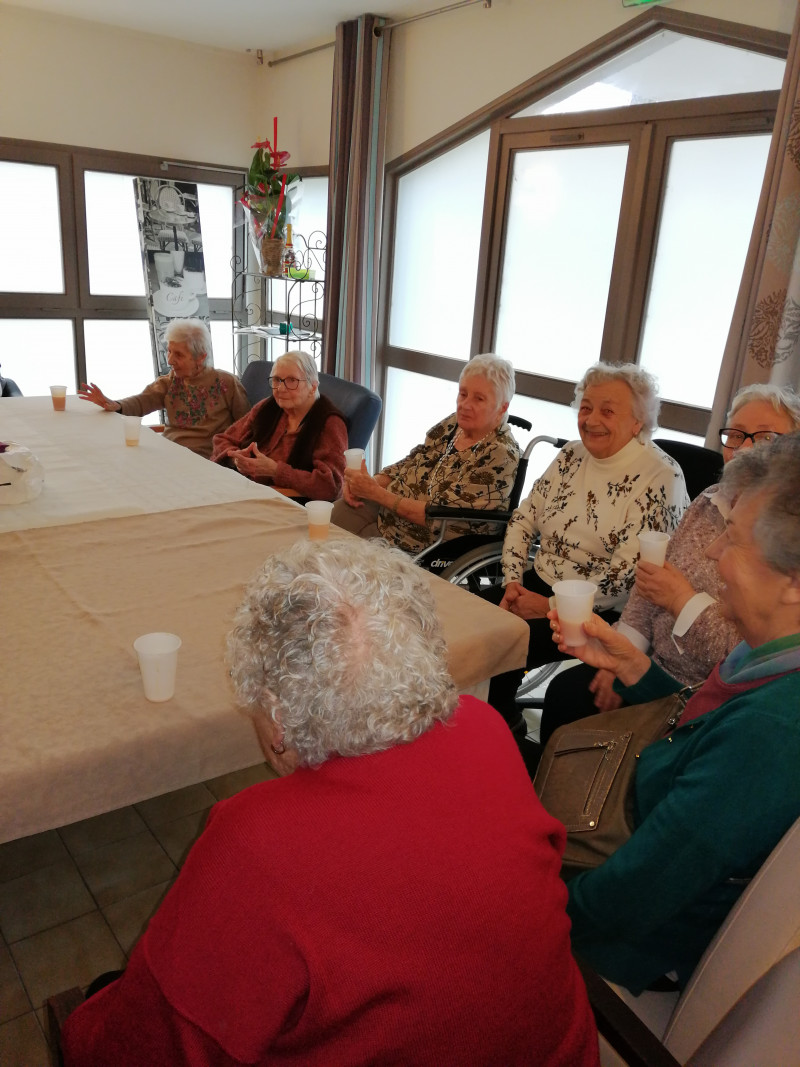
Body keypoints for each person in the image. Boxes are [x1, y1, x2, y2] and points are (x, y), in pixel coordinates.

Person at [61, 538, 600, 1066]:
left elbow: (147, 1045)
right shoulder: (483, 728)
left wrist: (80, 1028)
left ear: (276, 711)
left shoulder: (256, 840)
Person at [547, 432, 800, 995]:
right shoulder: (767, 657)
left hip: (635, 946)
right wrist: (636, 668)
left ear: (794, 584)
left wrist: (526, 917)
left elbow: (637, 892)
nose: (713, 554)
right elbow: (701, 731)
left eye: (733, 540)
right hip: (629, 847)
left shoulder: (773, 734)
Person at [539, 383, 800, 747]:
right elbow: (650, 585)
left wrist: (683, 601)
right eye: (735, 434)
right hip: (651, 663)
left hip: (702, 692)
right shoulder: (707, 502)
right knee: (566, 696)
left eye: (766, 437)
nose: (744, 448)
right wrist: (622, 650)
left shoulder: (784, 547)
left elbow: (742, 652)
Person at [487, 362, 688, 745]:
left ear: (637, 422)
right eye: (586, 407)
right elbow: (523, 518)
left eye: (608, 411)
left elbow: (627, 578)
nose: (592, 419)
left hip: (599, 612)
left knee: (497, 643)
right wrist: (513, 582)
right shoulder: (571, 456)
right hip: (536, 583)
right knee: (469, 621)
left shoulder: (660, 476)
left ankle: (500, 739)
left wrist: (546, 605)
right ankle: (490, 728)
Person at [331, 353, 520, 553]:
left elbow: (437, 516)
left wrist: (375, 493)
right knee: (332, 518)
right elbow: (416, 458)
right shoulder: (454, 424)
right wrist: (367, 483)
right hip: (392, 515)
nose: (465, 405)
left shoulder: (499, 454)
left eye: (479, 399)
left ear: (502, 407)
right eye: (463, 394)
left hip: (426, 541)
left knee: (337, 553)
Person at [78, 318, 249, 458]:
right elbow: (142, 401)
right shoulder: (170, 382)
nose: (170, 360)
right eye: (169, 351)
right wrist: (116, 405)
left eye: (179, 354)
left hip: (205, 460)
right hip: (168, 453)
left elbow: (248, 426)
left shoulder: (227, 383)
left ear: (201, 357)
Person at [210, 350, 347, 501]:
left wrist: (275, 471)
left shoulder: (329, 423)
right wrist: (236, 458)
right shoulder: (268, 407)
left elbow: (332, 486)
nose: (281, 389)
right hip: (244, 490)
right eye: (276, 380)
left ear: (313, 387)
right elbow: (222, 440)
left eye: (291, 380)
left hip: (288, 504)